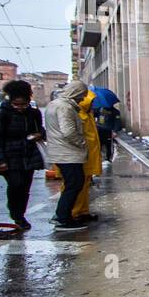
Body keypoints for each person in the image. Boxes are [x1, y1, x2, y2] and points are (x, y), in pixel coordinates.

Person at [0, 79, 46, 231]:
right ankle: (16, 213)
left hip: (29, 155)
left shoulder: (33, 113)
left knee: (25, 187)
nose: (20, 108)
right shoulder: (1, 114)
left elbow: (41, 130)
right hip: (9, 157)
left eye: (23, 104)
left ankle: (20, 214)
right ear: (10, 100)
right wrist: (0, 161)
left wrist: (39, 135)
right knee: (16, 184)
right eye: (16, 105)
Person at [43, 81, 91, 231]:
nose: (82, 99)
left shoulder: (54, 104)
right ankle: (63, 218)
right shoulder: (65, 107)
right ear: (75, 93)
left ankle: (63, 216)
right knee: (75, 184)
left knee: (73, 183)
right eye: (81, 96)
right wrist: (82, 143)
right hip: (68, 153)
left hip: (61, 152)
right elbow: (69, 132)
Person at [71, 87, 102, 224]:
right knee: (77, 185)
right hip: (80, 156)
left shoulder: (87, 114)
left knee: (85, 185)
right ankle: (74, 212)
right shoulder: (79, 115)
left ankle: (83, 211)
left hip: (88, 156)